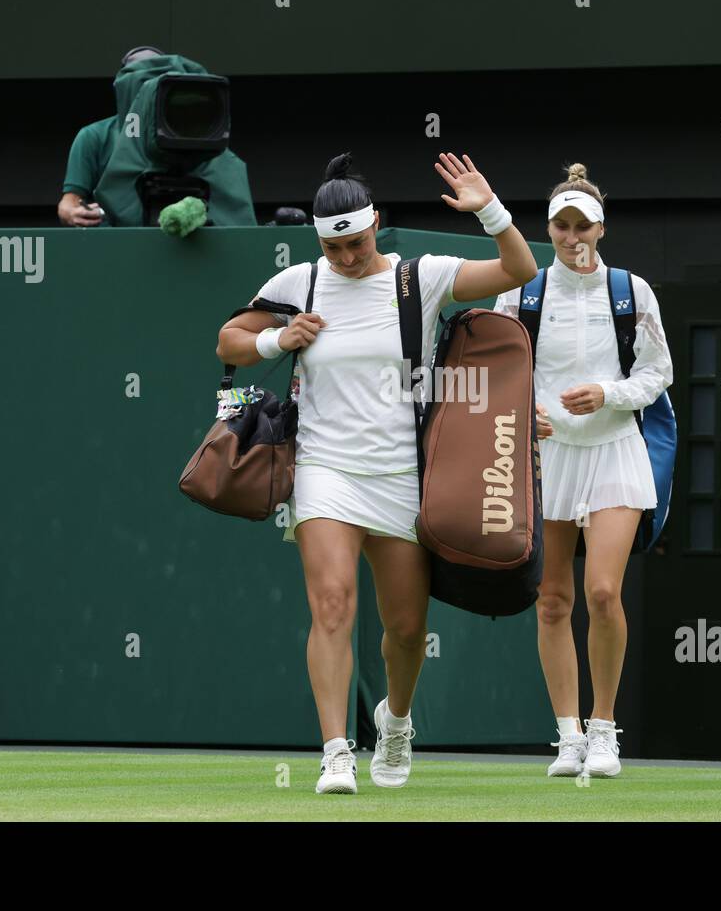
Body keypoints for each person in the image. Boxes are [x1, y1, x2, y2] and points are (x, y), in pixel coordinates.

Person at [217, 152, 537, 794]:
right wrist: (279, 341)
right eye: (333, 249)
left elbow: (520, 269)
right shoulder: (300, 283)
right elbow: (228, 340)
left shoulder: (424, 277)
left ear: (375, 226)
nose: (346, 258)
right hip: (324, 470)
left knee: (407, 629)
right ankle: (336, 750)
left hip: (400, 476)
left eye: (356, 244)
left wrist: (490, 211)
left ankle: (395, 720)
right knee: (332, 606)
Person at [493, 164, 672, 778]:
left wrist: (608, 393)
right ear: (549, 228)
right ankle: (567, 735)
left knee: (601, 591)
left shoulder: (632, 291)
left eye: (582, 226)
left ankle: (603, 729)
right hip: (546, 457)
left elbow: (657, 374)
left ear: (600, 228)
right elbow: (497, 374)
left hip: (615, 449)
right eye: (562, 225)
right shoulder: (521, 293)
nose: (572, 237)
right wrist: (526, 414)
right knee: (551, 601)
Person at [57, 46, 164, 227]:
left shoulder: (190, 137)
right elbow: (68, 203)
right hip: (112, 243)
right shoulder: (93, 136)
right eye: (138, 83)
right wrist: (73, 213)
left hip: (176, 244)